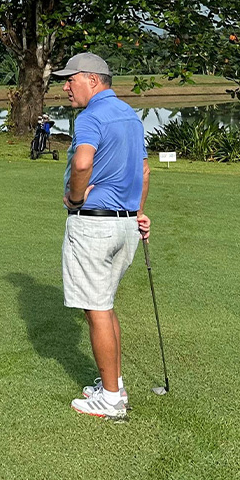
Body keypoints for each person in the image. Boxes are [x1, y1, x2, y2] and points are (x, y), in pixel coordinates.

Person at [52, 52, 151, 420]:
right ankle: (114, 383)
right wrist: (137, 212)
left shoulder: (91, 116)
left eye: (70, 79)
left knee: (96, 309)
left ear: (92, 80)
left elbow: (81, 162)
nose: (64, 87)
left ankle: (111, 400)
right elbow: (144, 171)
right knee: (105, 305)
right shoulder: (129, 114)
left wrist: (75, 198)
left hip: (94, 225)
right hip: (125, 225)